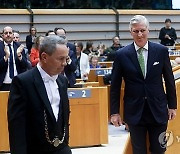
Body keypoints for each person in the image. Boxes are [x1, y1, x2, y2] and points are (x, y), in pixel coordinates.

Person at [110, 15, 177, 154]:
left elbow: (170, 80)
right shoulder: (121, 54)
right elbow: (115, 87)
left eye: (142, 30)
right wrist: (114, 112)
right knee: (139, 150)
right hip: (134, 111)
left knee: (159, 149)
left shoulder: (161, 51)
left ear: (148, 30)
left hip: (158, 110)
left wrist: (172, 106)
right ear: (130, 32)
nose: (139, 34)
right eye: (135, 31)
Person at [8, 35, 72, 154]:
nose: (64, 63)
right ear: (44, 57)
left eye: (66, 59)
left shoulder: (63, 81)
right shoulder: (23, 82)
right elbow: (17, 128)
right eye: (60, 59)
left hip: (61, 149)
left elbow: (63, 116)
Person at [0, 26, 28, 91]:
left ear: (13, 34)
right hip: (3, 84)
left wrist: (19, 56)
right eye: (6, 33)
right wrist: (6, 57)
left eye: (10, 33)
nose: (8, 35)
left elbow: (25, 65)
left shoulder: (19, 46)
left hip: (17, 83)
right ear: (2, 35)